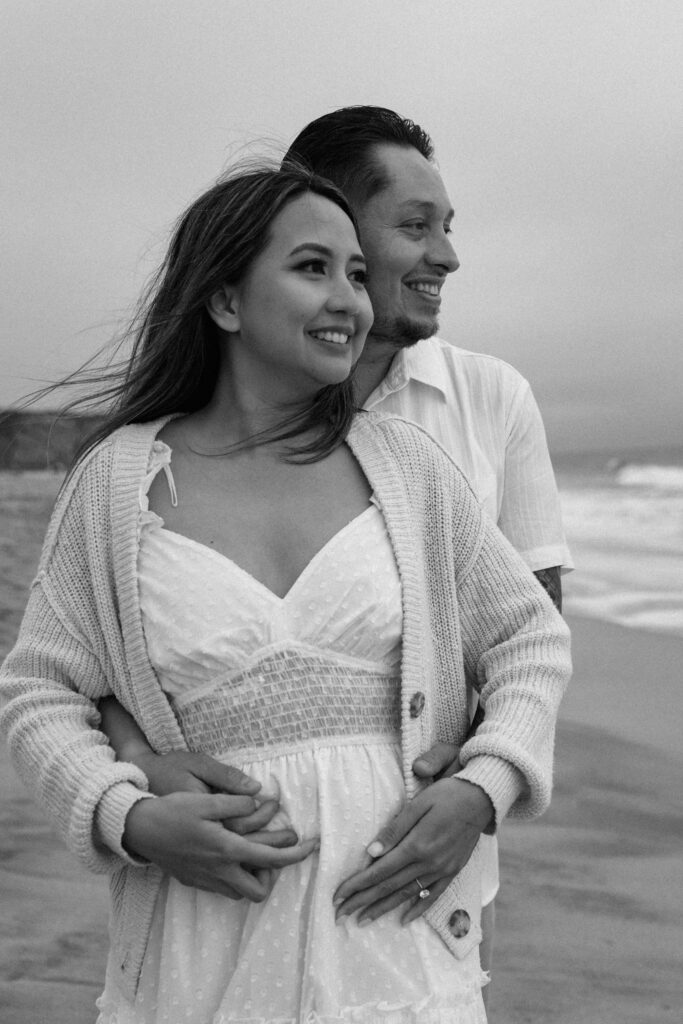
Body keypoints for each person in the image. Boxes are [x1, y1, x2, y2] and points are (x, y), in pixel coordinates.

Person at [0, 160, 571, 1022]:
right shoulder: (117, 485)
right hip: (200, 949)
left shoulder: (408, 470)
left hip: (396, 950)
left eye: (354, 272)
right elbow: (39, 691)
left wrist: (480, 788)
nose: (350, 299)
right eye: (312, 269)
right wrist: (127, 815)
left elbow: (529, 638)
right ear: (225, 301)